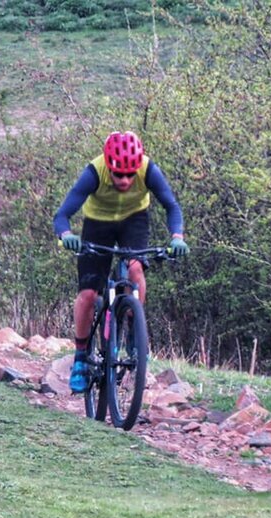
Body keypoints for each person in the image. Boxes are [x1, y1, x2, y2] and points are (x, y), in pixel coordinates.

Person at [53, 130, 189, 393]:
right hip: (98, 223)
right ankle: (81, 357)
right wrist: (67, 235)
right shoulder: (94, 172)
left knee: (135, 267)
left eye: (130, 174)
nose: (125, 180)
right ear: (109, 165)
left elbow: (172, 206)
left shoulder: (149, 170)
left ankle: (134, 331)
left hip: (133, 221)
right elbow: (62, 215)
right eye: (119, 174)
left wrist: (177, 237)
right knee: (89, 294)